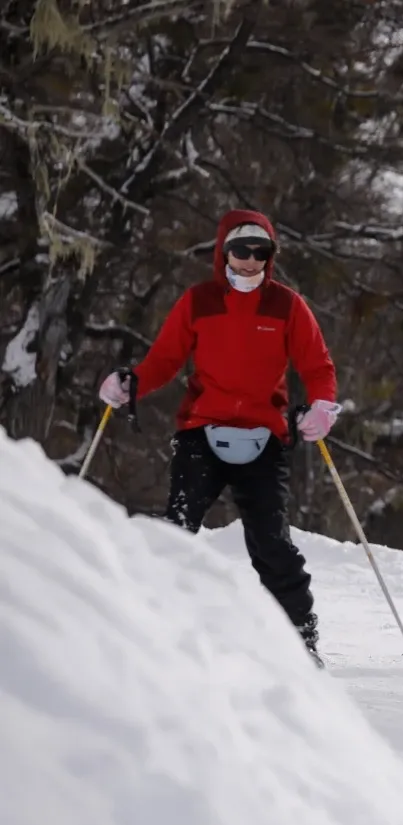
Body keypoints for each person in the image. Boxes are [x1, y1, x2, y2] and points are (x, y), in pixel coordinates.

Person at [98, 209, 341, 667]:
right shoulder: (199, 301)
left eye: (260, 252)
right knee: (178, 530)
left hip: (264, 436)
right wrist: (131, 383)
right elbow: (165, 359)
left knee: (269, 540)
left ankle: (298, 634)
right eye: (240, 250)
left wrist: (323, 406)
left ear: (270, 256)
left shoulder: (287, 306)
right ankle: (153, 625)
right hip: (200, 432)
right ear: (223, 251)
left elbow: (317, 367)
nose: (250, 261)